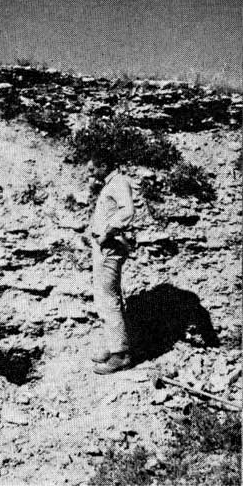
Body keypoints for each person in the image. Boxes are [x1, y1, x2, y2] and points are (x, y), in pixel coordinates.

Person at [87, 158, 135, 374]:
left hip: (110, 247)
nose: (90, 172)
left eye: (93, 168)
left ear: (104, 165)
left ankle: (121, 355)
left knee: (109, 298)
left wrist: (107, 232)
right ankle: (113, 346)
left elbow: (127, 211)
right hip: (103, 246)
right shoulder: (110, 184)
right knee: (103, 296)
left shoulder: (119, 182)